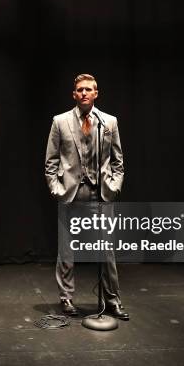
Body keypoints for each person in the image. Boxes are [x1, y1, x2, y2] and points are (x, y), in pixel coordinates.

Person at [44, 73, 129, 320]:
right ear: (74, 94)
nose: (84, 93)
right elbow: (50, 161)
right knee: (67, 251)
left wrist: (113, 188)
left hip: (100, 195)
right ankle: (67, 298)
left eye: (88, 89)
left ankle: (112, 300)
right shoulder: (60, 121)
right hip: (71, 194)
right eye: (80, 89)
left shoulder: (109, 122)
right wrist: (56, 189)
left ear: (96, 93)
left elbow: (118, 162)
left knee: (107, 251)